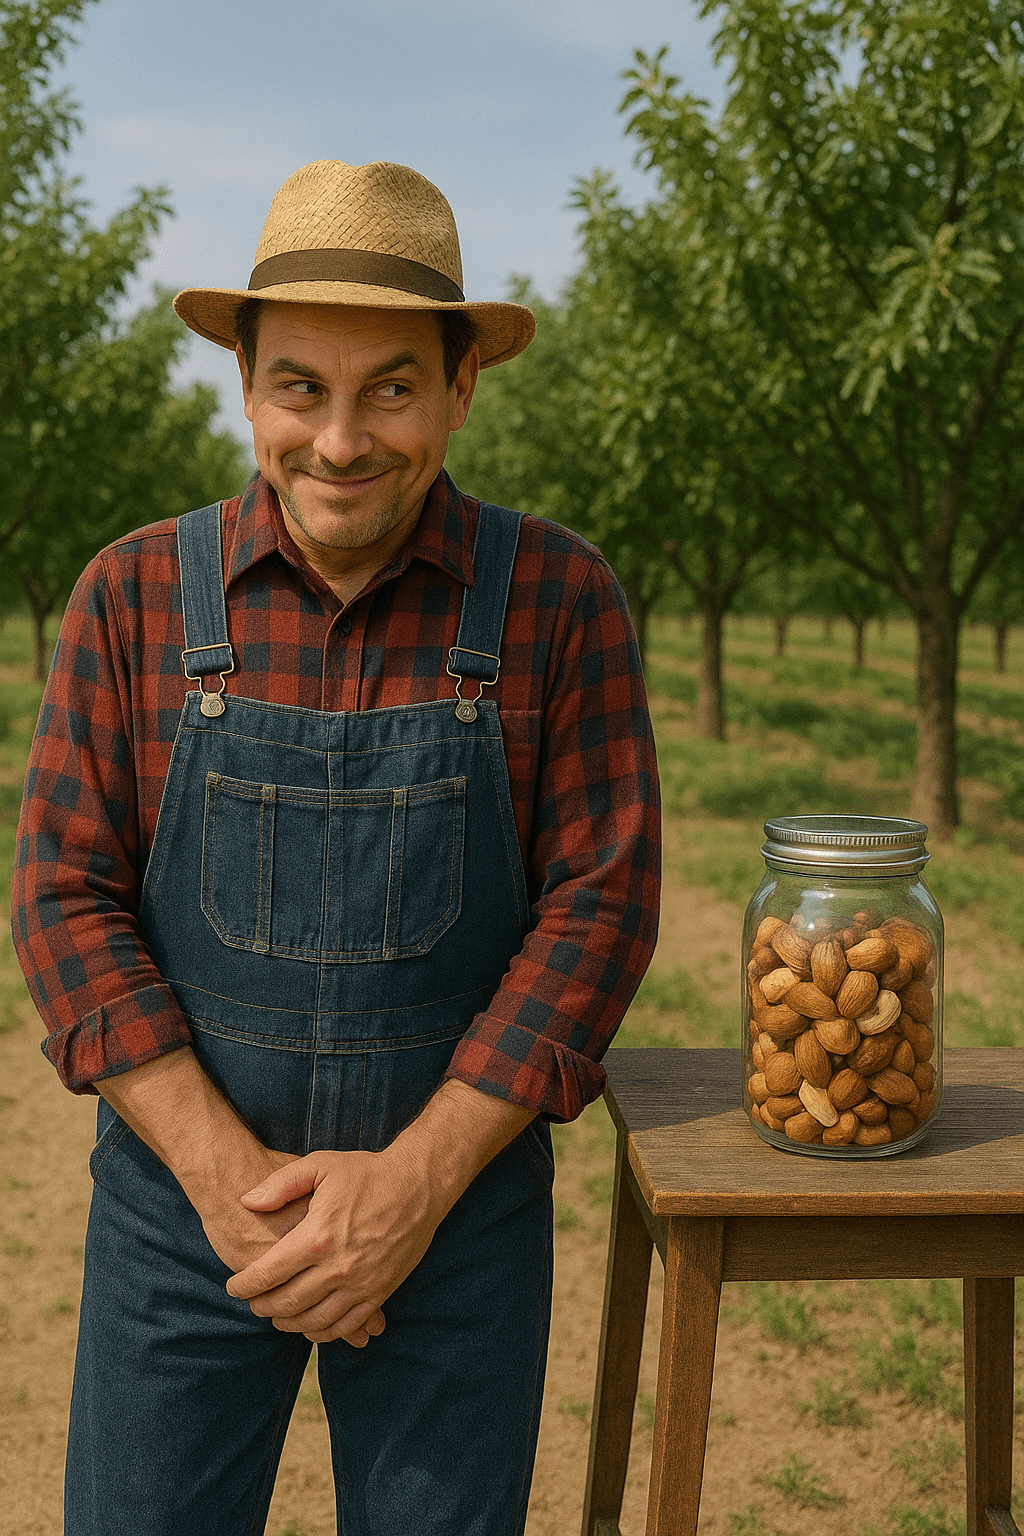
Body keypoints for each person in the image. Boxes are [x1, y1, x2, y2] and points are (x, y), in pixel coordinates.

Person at [12, 159, 660, 1536]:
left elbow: (599, 908)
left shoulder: (557, 598)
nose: (343, 440)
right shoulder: (130, 596)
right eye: (301, 386)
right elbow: (64, 901)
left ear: (461, 388)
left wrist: (414, 1186)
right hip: (182, 1224)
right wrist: (224, 1183)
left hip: (460, 1220)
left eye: (392, 389)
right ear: (246, 384)